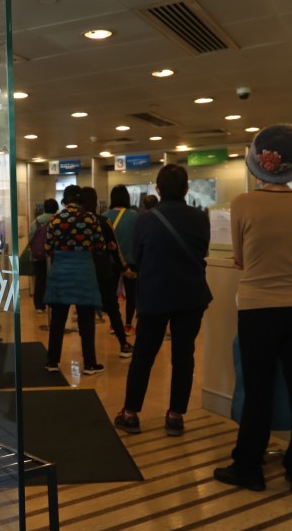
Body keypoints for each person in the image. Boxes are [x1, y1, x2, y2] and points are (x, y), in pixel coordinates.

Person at [214, 124, 292, 494]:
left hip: (258, 308)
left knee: (257, 388)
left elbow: (242, 258)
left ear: (256, 164)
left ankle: (249, 467)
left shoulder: (242, 203)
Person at [115, 165, 212, 436]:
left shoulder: (145, 220)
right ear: (186, 189)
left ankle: (131, 413)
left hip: (155, 295)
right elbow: (202, 249)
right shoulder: (200, 217)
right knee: (184, 355)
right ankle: (175, 416)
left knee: (144, 355)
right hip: (191, 296)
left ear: (157, 190)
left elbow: (135, 258)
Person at [42, 184, 105, 375]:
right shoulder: (90, 218)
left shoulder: (55, 219)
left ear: (65, 200)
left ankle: (52, 361)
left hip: (61, 272)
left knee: (58, 320)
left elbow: (47, 247)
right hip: (84, 273)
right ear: (81, 201)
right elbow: (100, 246)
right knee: (86, 320)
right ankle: (89, 364)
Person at [80, 187, 132, 358]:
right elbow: (115, 249)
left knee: (85, 313)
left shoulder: (76, 222)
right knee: (112, 308)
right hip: (103, 271)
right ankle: (124, 345)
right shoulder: (102, 220)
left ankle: (89, 356)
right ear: (95, 202)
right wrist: (124, 268)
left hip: (84, 272)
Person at [104, 184, 139, 337]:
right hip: (131, 261)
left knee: (111, 294)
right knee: (131, 294)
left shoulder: (105, 216)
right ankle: (128, 325)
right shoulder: (135, 216)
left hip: (111, 262)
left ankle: (114, 324)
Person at [29, 198, 58, 312]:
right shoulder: (57, 220)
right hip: (54, 255)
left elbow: (31, 237)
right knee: (54, 279)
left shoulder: (36, 221)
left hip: (38, 255)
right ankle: (53, 303)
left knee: (40, 280)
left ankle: (39, 305)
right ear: (56, 209)